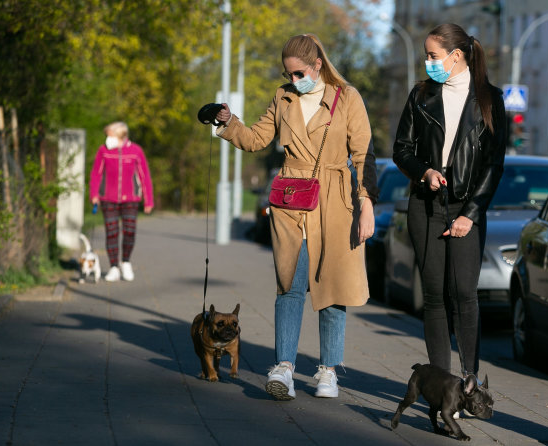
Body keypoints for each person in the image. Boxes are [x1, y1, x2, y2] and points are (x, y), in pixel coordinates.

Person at [215, 34, 378, 400]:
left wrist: (367, 203)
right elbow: (258, 138)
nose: (293, 80)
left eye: (299, 73)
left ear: (318, 64)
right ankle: (284, 368)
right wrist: (228, 122)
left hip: (336, 200)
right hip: (291, 199)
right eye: (288, 74)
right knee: (289, 285)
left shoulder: (347, 97)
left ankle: (328, 371)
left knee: (333, 289)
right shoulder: (283, 97)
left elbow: (364, 154)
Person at [393, 24, 506, 382]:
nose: (427, 62)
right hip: (426, 205)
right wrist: (424, 171)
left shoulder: (489, 98)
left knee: (464, 295)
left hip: (465, 209)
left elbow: (494, 163)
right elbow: (401, 149)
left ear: (455, 56)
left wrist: (471, 213)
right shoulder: (421, 95)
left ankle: (469, 378)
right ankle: (442, 383)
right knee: (434, 297)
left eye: (432, 55)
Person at [90, 121, 154, 282]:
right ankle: (113, 267)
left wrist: (148, 200)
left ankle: (125, 262)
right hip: (108, 198)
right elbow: (96, 174)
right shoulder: (103, 150)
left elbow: (144, 175)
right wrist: (94, 194)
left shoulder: (136, 151)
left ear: (121, 135)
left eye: (110, 135)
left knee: (129, 232)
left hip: (130, 198)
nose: (107, 138)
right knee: (111, 233)